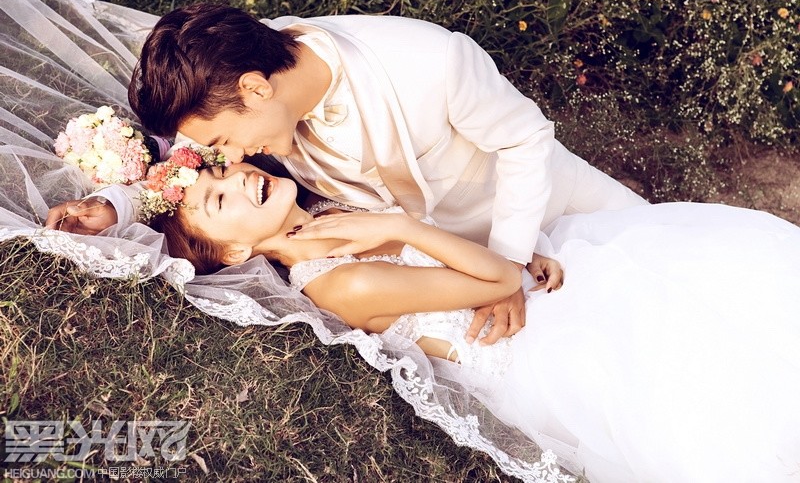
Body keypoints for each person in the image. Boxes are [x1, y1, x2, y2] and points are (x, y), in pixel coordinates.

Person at [150, 156, 800, 482]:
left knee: (714, 286)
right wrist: (406, 227)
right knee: (701, 378)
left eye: (220, 171)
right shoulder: (339, 283)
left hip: (535, 294)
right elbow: (494, 281)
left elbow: (485, 263)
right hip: (531, 348)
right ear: (235, 254)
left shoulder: (325, 214)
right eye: (219, 200)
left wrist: (516, 253)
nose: (238, 179)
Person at [46, 3, 649, 346]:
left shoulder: (432, 61)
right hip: (459, 272)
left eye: (225, 143)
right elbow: (192, 180)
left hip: (556, 208)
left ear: (256, 90)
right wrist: (117, 206)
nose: (230, 159)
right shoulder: (239, 84)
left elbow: (525, 139)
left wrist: (509, 260)